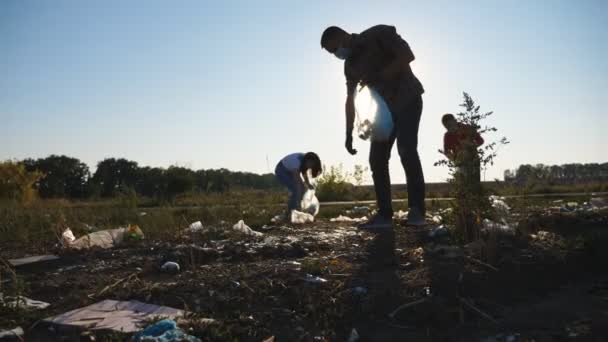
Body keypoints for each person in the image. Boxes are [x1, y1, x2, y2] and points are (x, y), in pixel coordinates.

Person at [321, 25, 426, 229]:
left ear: (343, 36)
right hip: (384, 112)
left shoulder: (378, 35)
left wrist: (379, 76)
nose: (337, 54)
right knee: (377, 159)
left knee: (406, 150)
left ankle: (417, 211)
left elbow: (407, 55)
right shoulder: (349, 65)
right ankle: (385, 215)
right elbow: (349, 99)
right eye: (333, 53)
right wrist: (348, 132)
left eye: (335, 49)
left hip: (407, 100)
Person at [442, 113, 484, 187]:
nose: (449, 128)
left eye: (450, 125)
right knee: (463, 187)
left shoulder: (467, 128)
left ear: (455, 121)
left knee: (475, 186)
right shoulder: (447, 135)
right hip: (460, 163)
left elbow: (480, 141)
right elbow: (446, 151)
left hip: (473, 161)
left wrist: (470, 145)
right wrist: (454, 160)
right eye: (447, 127)